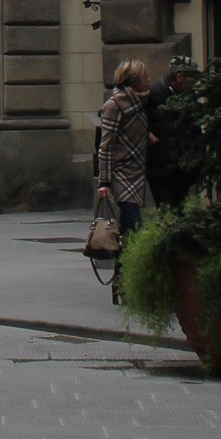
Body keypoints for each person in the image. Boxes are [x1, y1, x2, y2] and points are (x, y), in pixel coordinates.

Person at [97, 58, 151, 306]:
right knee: (134, 227)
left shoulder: (140, 102)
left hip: (136, 172)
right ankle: (127, 283)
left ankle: (120, 282)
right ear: (133, 80)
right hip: (120, 174)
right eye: (144, 76)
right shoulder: (114, 104)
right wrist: (104, 182)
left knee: (130, 231)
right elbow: (106, 145)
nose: (148, 79)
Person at [146, 64, 193, 210]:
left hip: (180, 165)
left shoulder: (188, 97)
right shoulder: (154, 93)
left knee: (179, 207)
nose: (194, 83)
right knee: (165, 208)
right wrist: (146, 133)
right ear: (179, 77)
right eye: (191, 78)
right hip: (160, 163)